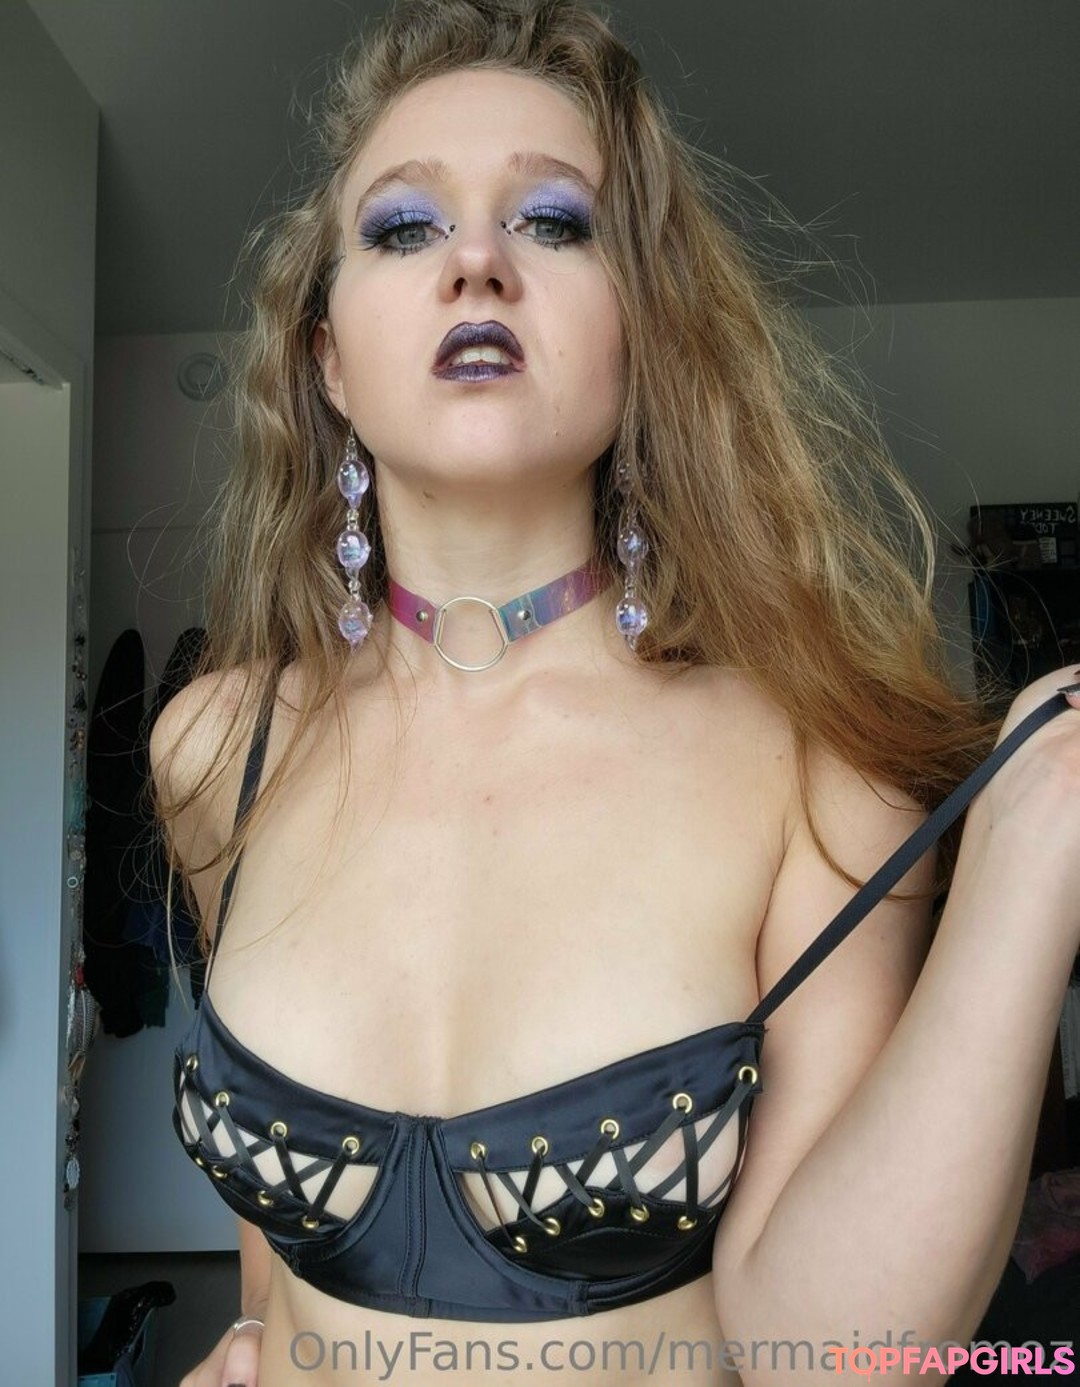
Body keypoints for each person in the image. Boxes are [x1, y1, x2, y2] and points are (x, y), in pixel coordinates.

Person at [151, 1, 1080, 1383]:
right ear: (329, 361)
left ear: (642, 330)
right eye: (403, 227)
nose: (476, 261)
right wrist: (248, 1328)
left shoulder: (815, 770)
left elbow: (828, 1356)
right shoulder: (219, 748)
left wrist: (1039, 832)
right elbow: (276, 1233)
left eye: (553, 221)